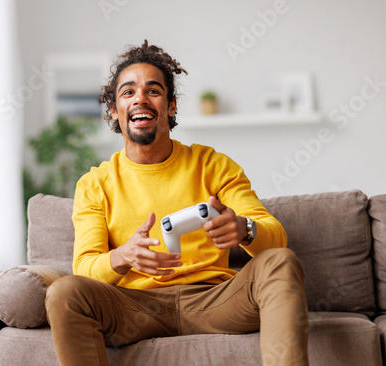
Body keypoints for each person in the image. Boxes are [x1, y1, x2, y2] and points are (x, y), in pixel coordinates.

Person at [46, 40, 309, 366]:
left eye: (152, 90)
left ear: (170, 106)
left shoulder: (212, 164)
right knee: (64, 292)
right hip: (135, 307)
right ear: (114, 111)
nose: (140, 97)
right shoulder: (95, 184)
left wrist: (244, 228)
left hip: (215, 300)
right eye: (127, 92)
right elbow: (84, 268)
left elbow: (276, 239)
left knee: (280, 261)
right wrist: (123, 256)